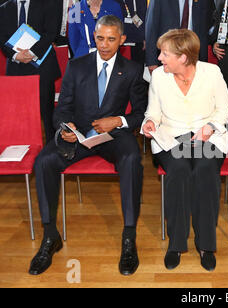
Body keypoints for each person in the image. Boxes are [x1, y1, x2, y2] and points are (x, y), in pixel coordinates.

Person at [28, 15, 147, 276]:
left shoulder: (132, 70)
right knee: (44, 161)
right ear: (94, 36)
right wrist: (65, 128)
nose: (104, 44)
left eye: (111, 39)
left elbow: (140, 113)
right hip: (79, 135)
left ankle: (129, 237)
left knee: (132, 160)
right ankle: (50, 236)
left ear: (122, 40)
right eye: (100, 38)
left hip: (113, 135)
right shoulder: (76, 65)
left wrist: (117, 120)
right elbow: (62, 108)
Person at [141, 29, 228, 272]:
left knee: (204, 169)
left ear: (183, 57)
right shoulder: (159, 76)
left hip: (208, 135)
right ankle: (177, 242)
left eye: (165, 53)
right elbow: (153, 112)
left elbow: (225, 109)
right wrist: (149, 123)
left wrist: (210, 127)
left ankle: (206, 245)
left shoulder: (211, 72)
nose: (159, 58)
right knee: (179, 170)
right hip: (171, 136)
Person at [0, 0, 61, 143]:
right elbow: (1, 37)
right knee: (18, 114)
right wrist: (15, 55)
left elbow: (51, 32)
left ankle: (50, 150)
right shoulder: (4, 8)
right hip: (16, 67)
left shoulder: (48, 4)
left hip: (42, 66)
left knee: (45, 113)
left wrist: (32, 53)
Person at [145, 0, 214, 74]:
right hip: (167, 57)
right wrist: (151, 61)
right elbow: (151, 28)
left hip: (193, 56)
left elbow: (208, 25)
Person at [118, 0, 147, 65]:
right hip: (119, 40)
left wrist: (144, 36)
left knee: (136, 69)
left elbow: (139, 18)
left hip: (137, 40)